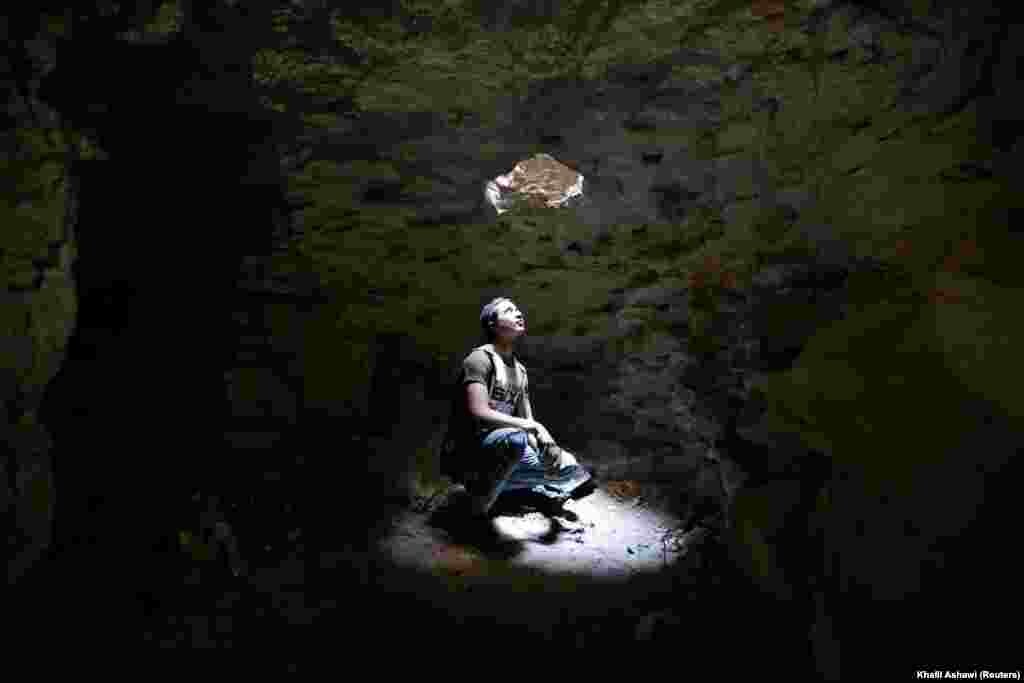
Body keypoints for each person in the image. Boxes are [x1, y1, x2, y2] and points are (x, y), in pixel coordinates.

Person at [443, 297, 594, 519]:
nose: (518, 313)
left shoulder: (520, 371)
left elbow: (527, 420)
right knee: (514, 439)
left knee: (569, 468)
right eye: (509, 310)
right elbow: (478, 412)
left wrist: (548, 451)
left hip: (505, 444)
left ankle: (503, 488)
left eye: (518, 309)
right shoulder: (479, 359)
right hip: (472, 446)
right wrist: (534, 427)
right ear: (492, 324)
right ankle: (475, 509)